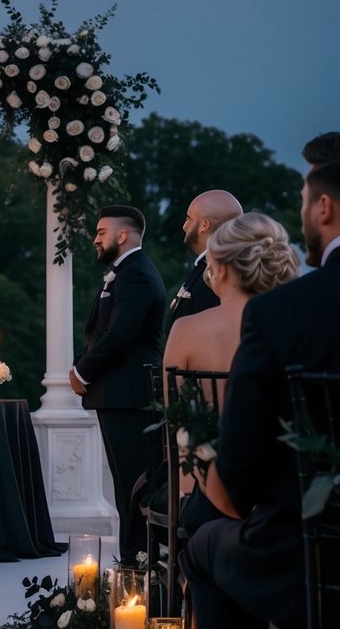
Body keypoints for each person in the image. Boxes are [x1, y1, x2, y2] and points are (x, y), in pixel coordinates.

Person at [182, 156, 340, 629]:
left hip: (315, 559)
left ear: (324, 207)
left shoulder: (287, 314)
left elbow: (231, 487)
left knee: (206, 544)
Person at [162, 212, 300, 530]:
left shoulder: (186, 330)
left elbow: (179, 430)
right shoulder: (292, 327)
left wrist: (186, 498)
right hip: (286, 494)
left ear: (219, 266)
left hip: (210, 492)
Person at [70, 204, 166, 564]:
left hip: (129, 398)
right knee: (125, 487)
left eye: (100, 232)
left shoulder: (137, 274)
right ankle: (133, 561)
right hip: (117, 397)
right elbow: (100, 334)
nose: (95, 239)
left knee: (134, 488)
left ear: (122, 235)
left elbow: (119, 336)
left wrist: (81, 372)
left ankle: (138, 562)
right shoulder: (124, 273)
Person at [166, 190, 243, 330]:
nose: (184, 226)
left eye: (189, 219)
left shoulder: (218, 275)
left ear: (204, 225)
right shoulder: (205, 267)